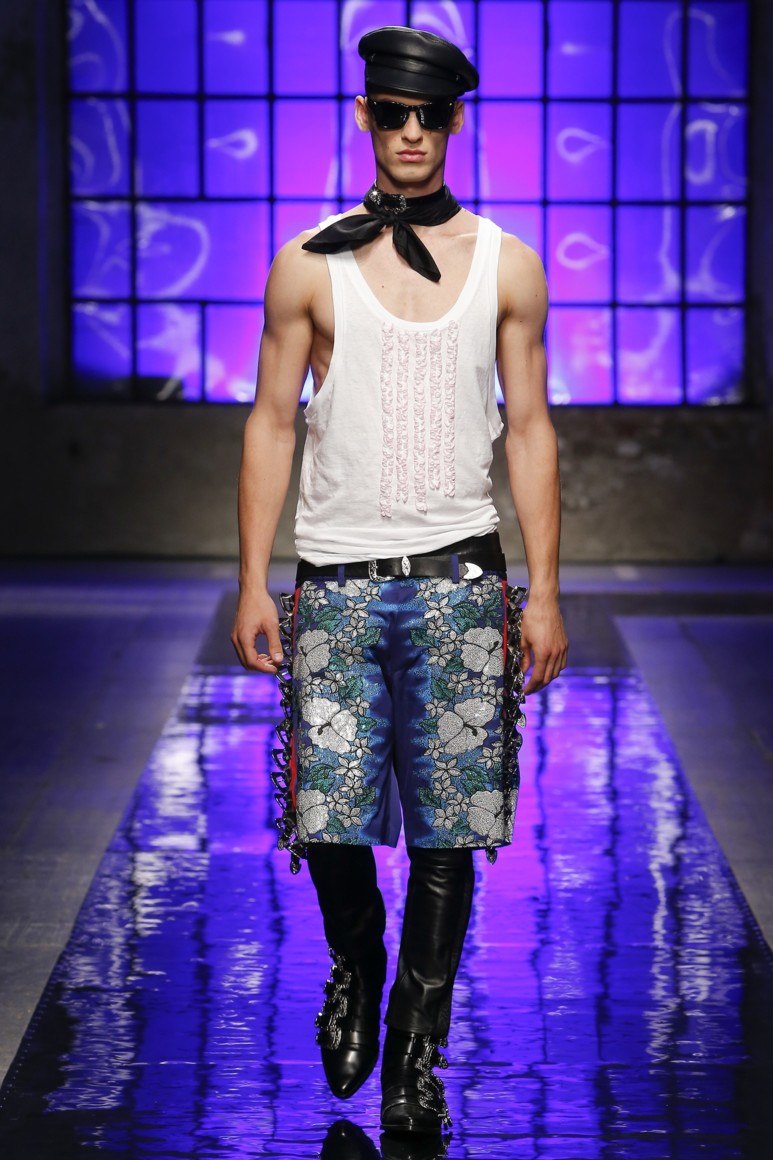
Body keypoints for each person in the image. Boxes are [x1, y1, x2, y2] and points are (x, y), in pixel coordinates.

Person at [231, 25, 568, 1138]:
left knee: (446, 832)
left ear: (455, 122)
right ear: (364, 115)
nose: (411, 132)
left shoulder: (508, 264)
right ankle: (357, 960)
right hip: (333, 581)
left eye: (429, 115)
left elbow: (530, 429)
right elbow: (271, 421)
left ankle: (415, 1051)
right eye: (392, 113)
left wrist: (545, 591)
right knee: (325, 815)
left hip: (461, 581)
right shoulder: (308, 262)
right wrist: (252, 580)